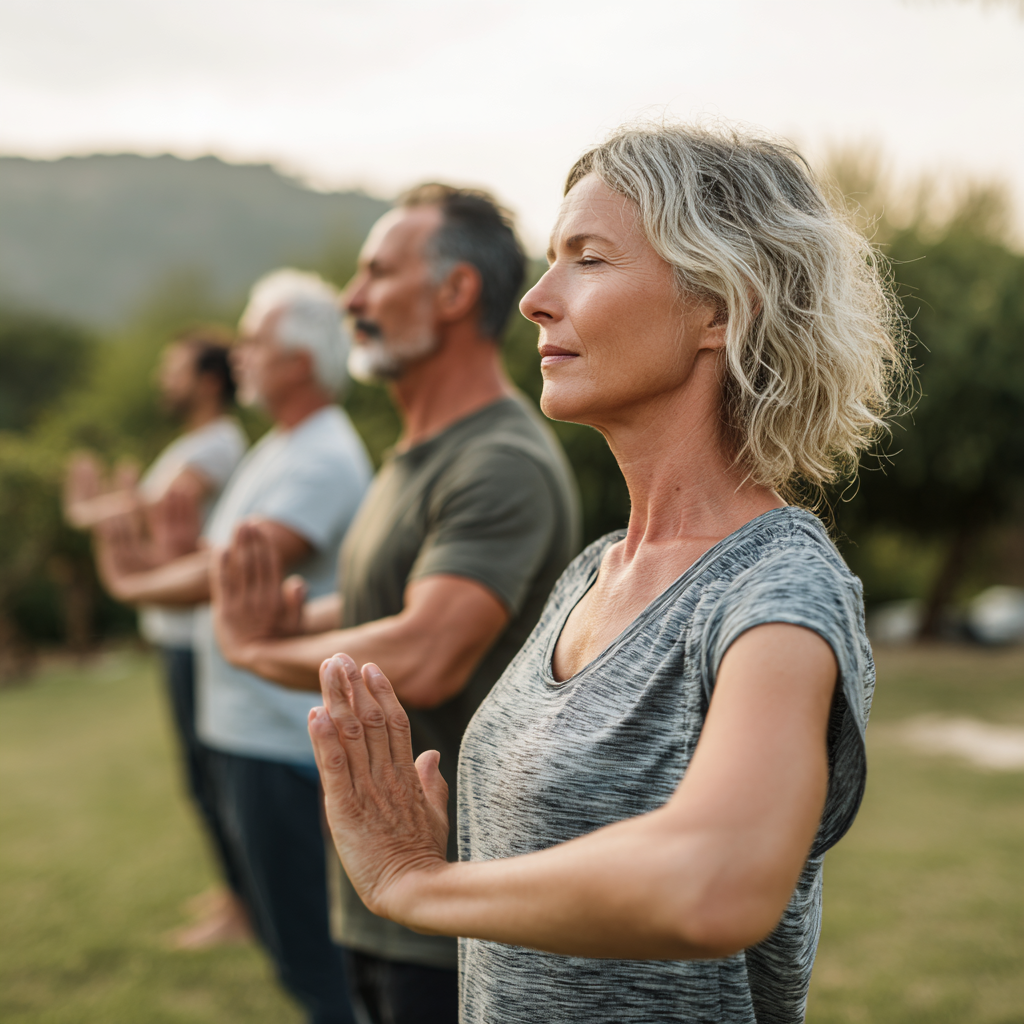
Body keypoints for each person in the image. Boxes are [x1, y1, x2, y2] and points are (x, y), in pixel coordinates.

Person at [306, 124, 907, 1024]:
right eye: (551, 261)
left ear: (722, 307)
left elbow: (720, 883)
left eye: (588, 258)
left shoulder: (776, 593)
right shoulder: (591, 574)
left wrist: (420, 885)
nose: (537, 301)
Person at [211, 185, 580, 1024]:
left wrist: (252, 651)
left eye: (376, 272)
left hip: (457, 904)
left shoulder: (499, 459)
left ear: (454, 294)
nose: (351, 298)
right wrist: (292, 617)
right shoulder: (417, 454)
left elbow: (424, 648)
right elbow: (387, 600)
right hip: (387, 894)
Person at [96, 270, 372, 1024]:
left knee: (315, 960)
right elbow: (212, 552)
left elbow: (233, 570)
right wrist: (164, 558)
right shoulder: (278, 447)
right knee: (294, 949)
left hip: (280, 738)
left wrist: (130, 582)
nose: (240, 355)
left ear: (303, 362)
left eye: (256, 341)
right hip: (245, 727)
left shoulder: (320, 455)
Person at [64, 329, 250, 946]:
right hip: (177, 632)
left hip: (196, 635)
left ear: (206, 382)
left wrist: (86, 511)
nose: (160, 381)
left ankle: (242, 908)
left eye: (173, 370)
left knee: (209, 774)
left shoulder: (216, 444)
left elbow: (151, 512)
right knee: (200, 774)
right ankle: (234, 892)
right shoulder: (195, 443)